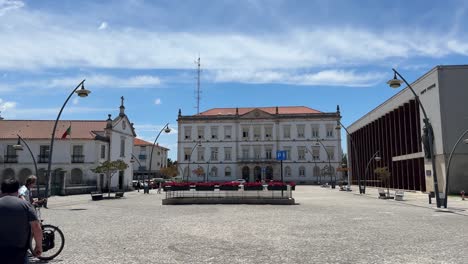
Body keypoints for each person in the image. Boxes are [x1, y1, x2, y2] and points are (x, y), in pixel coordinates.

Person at [0, 178, 43, 264]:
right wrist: (38, 246)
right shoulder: (26, 205)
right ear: (17, 191)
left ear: (1, 190)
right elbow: (36, 227)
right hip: (19, 252)